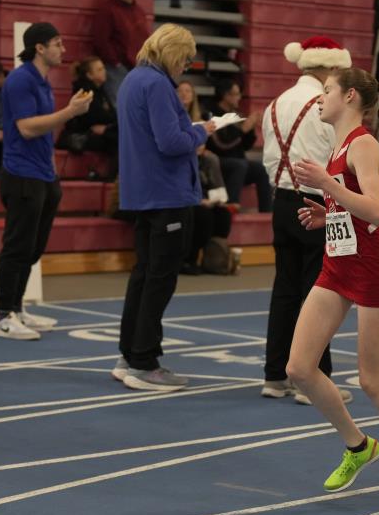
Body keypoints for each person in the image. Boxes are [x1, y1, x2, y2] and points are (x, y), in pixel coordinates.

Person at [287, 67, 379, 515]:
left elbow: (378, 210)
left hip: (371, 270)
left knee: (372, 381)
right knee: (299, 368)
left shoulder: (363, 143)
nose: (319, 98)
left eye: (327, 90)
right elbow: (367, 203)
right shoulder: (339, 146)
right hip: (338, 265)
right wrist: (329, 212)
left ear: (350, 96)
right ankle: (358, 446)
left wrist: (328, 186)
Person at [113, 24, 216, 391]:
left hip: (145, 192)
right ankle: (144, 361)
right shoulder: (157, 84)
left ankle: (130, 353)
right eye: (185, 59)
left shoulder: (133, 79)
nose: (185, 66)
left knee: (144, 276)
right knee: (159, 280)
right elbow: (170, 141)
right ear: (172, 52)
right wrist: (202, 131)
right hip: (166, 194)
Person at [261, 36, 354, 405]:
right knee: (320, 293)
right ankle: (315, 380)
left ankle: (275, 375)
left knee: (285, 289)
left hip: (282, 200)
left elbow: (270, 157)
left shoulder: (275, 103)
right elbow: (337, 156)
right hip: (316, 202)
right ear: (329, 67)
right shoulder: (324, 104)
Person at [0, 23, 94, 341]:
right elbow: (26, 128)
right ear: (39, 47)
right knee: (17, 247)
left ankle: (17, 308)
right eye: (57, 43)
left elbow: (44, 131)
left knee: (33, 248)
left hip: (43, 174)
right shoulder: (21, 79)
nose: (63, 49)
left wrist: (52, 170)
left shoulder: (42, 80)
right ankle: (3, 316)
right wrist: (70, 112)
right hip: (22, 174)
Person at [178, 81, 231, 275]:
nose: (184, 94)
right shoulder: (182, 158)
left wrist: (213, 200)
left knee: (223, 214)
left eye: (188, 91)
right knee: (202, 215)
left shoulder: (209, 159)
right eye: (180, 91)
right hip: (186, 199)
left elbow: (220, 191)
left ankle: (213, 258)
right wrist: (199, 201)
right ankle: (188, 258)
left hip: (204, 198)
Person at [206, 78, 272, 212]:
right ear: (225, 95)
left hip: (238, 162)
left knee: (262, 169)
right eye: (236, 94)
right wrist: (243, 129)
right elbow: (221, 144)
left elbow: (246, 146)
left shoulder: (237, 114)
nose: (239, 97)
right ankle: (231, 205)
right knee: (239, 165)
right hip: (218, 162)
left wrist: (251, 129)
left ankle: (267, 212)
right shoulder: (211, 114)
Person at [93, 0, 150, 104]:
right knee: (120, 105)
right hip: (116, 68)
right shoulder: (108, 10)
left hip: (136, 68)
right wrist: (115, 62)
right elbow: (101, 39)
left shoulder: (139, 12)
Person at [56, 56, 118, 167]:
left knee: (118, 135)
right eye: (99, 69)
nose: (104, 71)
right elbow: (95, 116)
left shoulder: (100, 90)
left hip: (99, 132)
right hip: (84, 134)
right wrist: (110, 123)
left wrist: (107, 128)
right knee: (117, 138)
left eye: (103, 68)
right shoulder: (84, 91)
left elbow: (110, 115)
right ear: (89, 75)